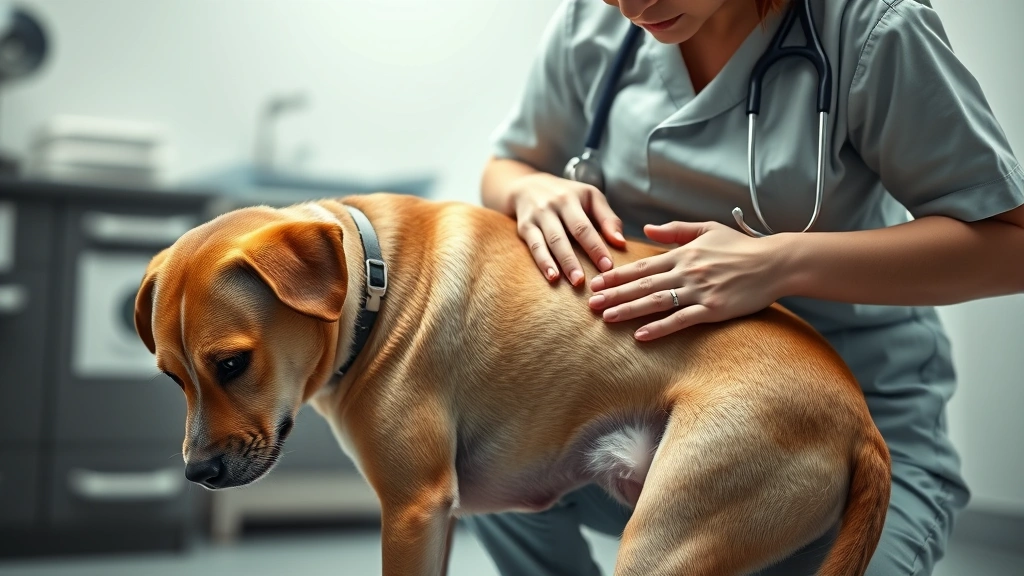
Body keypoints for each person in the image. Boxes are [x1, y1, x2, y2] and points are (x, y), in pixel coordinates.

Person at [463, 0, 1024, 574]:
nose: (632, 7)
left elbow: (1012, 246)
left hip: (853, 432)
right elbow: (509, 163)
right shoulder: (591, 22)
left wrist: (778, 263)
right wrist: (529, 190)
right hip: (651, 413)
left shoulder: (873, 27)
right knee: (474, 452)